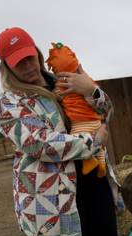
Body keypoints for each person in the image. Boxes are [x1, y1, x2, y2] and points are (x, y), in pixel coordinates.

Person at [0, 27, 127, 236]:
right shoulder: (10, 104)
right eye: (19, 62)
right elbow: (40, 145)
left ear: (38, 54)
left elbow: (108, 112)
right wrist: (92, 142)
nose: (28, 65)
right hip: (50, 200)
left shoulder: (65, 81)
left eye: (30, 57)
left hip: (92, 186)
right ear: (7, 66)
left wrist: (90, 89)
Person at [46, 42, 108, 177]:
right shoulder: (85, 79)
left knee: (77, 135)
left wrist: (90, 89)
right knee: (100, 145)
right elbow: (107, 111)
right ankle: (102, 164)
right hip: (96, 122)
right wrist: (91, 88)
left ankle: (90, 161)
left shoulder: (60, 84)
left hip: (79, 124)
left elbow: (108, 109)